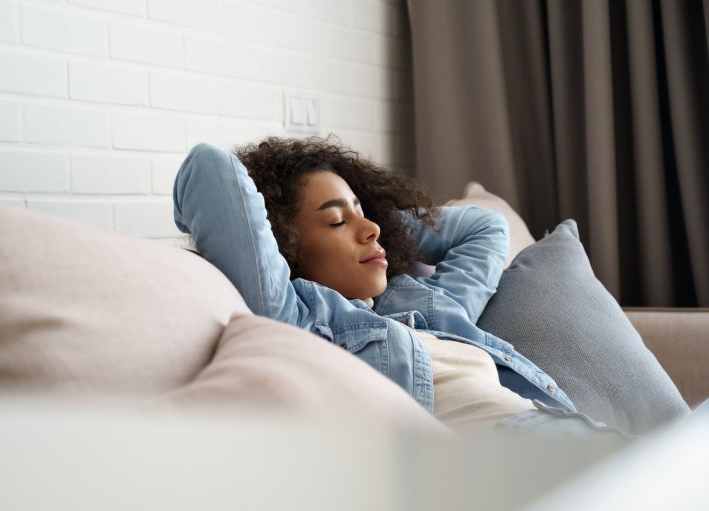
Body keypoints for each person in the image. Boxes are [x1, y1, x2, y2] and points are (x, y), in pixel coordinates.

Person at [173, 136, 628, 439]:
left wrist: (381, 221)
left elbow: (484, 228)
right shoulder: (301, 315)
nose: (368, 228)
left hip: (570, 432)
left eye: (362, 211)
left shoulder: (428, 306)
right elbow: (210, 168)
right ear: (286, 247)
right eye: (335, 220)